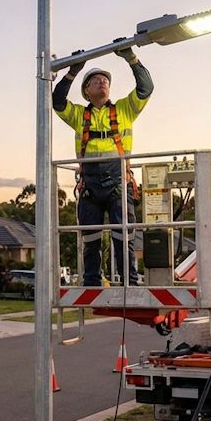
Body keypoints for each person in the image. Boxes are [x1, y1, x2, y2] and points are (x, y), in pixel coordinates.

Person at [53, 46, 153, 286]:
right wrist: (71, 72)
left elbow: (145, 88)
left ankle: (129, 280)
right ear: (86, 92)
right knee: (90, 236)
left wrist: (131, 58)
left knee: (123, 232)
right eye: (95, 80)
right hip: (90, 183)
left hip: (118, 179)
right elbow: (57, 102)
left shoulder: (124, 110)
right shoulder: (79, 115)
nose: (102, 81)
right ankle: (91, 280)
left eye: (105, 80)